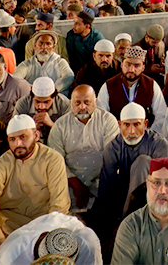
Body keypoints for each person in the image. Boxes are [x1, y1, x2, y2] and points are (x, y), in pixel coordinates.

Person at [0, 114, 70, 261]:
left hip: (43, 223)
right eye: (12, 139)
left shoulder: (52, 159)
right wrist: (2, 243)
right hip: (10, 221)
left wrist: (44, 235)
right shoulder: (1, 164)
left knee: (69, 239)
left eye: (23, 137)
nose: (18, 144)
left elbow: (59, 205)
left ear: (36, 136)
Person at [96, 101, 168, 238]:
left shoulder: (158, 144)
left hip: (152, 199)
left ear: (145, 124)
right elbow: (107, 187)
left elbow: (161, 185)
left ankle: (130, 223)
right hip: (121, 199)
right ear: (119, 125)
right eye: (126, 125)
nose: (131, 131)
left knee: (143, 162)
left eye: (136, 124)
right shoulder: (112, 147)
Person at [47, 84, 120, 212]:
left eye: (87, 102)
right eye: (77, 103)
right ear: (71, 103)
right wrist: (74, 181)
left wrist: (93, 184)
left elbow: (111, 158)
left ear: (96, 102)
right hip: (68, 182)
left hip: (101, 180)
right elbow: (56, 160)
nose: (82, 107)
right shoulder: (60, 126)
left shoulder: (108, 121)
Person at [98, 47, 167, 129]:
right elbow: (101, 116)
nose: (131, 69)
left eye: (136, 65)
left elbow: (161, 115)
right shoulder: (108, 85)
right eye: (128, 64)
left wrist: (149, 135)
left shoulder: (151, 85)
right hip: (116, 136)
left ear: (143, 67)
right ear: (122, 64)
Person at [14, 30, 75, 95]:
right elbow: (15, 79)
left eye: (48, 44)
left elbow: (69, 77)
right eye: (41, 43)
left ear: (53, 47)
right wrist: (35, 90)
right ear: (35, 46)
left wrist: (51, 90)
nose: (44, 47)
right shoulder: (27, 64)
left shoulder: (60, 62)